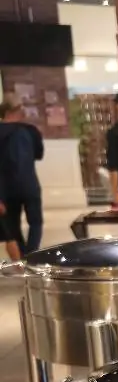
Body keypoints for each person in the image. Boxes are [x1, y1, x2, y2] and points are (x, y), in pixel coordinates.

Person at [0, 96, 43, 259]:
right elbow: (39, 155)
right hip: (29, 183)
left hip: (5, 187)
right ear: (14, 110)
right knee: (36, 222)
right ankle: (31, 255)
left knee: (13, 225)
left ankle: (23, 255)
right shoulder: (31, 131)